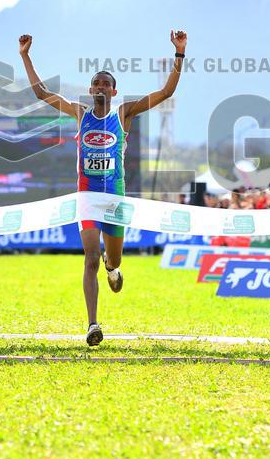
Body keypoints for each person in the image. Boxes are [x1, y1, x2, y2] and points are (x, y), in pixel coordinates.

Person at [20, 30, 188, 347]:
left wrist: (179, 53)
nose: (100, 88)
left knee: (112, 260)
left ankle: (114, 268)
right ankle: (93, 324)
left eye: (105, 84)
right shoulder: (79, 113)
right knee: (90, 258)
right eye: (95, 84)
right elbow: (42, 93)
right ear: (90, 89)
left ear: (113, 90)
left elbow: (165, 92)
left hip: (115, 197)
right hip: (87, 195)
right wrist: (25, 55)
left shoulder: (124, 113)